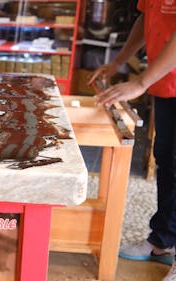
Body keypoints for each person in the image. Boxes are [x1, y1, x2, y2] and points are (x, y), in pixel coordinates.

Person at [88, 0, 176, 280]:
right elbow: (145, 18)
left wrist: (140, 83)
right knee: (167, 161)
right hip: (167, 81)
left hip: (162, 76)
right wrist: (118, 61)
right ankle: (162, 241)